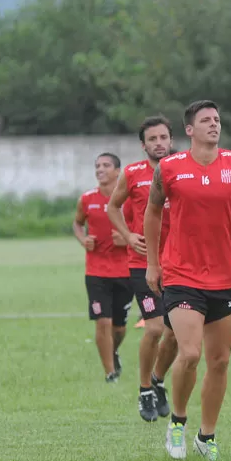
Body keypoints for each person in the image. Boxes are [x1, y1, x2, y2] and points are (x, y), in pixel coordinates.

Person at [144, 100, 231, 461]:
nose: (214, 125)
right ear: (190, 130)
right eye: (206, 120)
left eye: (217, 119)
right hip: (182, 275)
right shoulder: (169, 169)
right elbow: (153, 212)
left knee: (220, 361)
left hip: (224, 278)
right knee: (189, 353)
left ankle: (207, 436)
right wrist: (152, 264)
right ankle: (178, 424)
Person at [107, 117, 180, 422]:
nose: (159, 143)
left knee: (177, 333)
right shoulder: (133, 173)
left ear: (172, 140)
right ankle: (144, 390)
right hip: (142, 264)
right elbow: (112, 207)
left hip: (179, 263)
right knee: (154, 327)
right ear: (144, 145)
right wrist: (127, 236)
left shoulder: (183, 171)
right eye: (153, 139)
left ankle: (160, 380)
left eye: (164, 137)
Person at [74, 153, 134, 383]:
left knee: (118, 328)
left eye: (106, 165)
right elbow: (78, 223)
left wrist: (126, 238)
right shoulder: (87, 199)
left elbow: (141, 227)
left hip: (126, 272)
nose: (100, 169)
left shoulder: (128, 201)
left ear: (118, 171)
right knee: (103, 321)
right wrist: (82, 239)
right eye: (97, 165)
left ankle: (114, 351)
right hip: (96, 273)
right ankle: (110, 374)